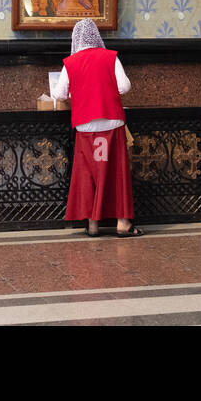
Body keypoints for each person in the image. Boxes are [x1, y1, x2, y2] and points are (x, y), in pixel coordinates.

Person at [52, 19, 143, 238]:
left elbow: (59, 94)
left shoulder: (70, 62)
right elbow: (124, 86)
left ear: (76, 39)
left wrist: (80, 93)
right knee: (116, 173)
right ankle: (122, 224)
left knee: (89, 174)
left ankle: (92, 225)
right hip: (112, 122)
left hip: (85, 125)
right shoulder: (110, 57)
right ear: (96, 36)